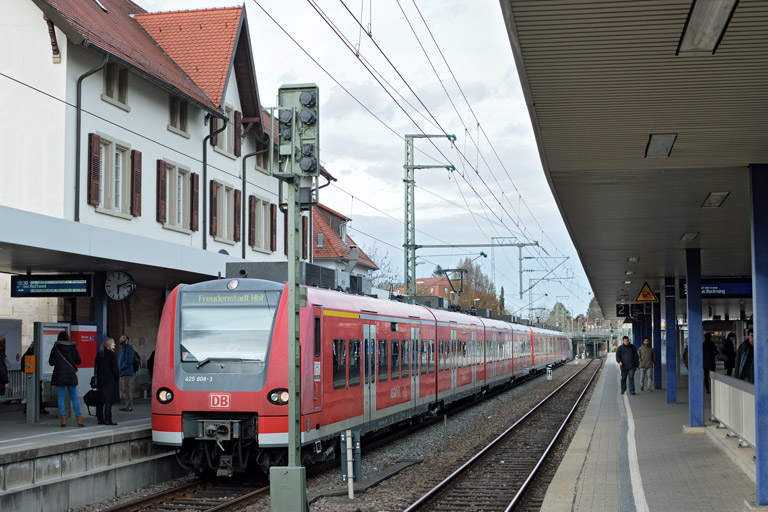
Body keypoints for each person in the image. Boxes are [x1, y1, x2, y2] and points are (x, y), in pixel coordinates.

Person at [49, 331, 84, 427]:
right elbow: (79, 361)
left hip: (59, 375)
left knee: (61, 397)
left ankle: (63, 420)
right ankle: (79, 419)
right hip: (70, 375)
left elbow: (51, 362)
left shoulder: (55, 348)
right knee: (74, 397)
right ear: (68, 338)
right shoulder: (73, 347)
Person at [95, 337, 120, 425]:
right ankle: (108, 419)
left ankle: (100, 418)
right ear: (109, 344)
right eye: (113, 343)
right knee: (109, 400)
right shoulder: (112, 354)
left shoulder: (99, 354)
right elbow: (115, 369)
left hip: (101, 379)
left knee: (101, 400)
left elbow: (96, 368)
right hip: (110, 380)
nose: (115, 344)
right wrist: (117, 378)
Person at [22, 342, 49, 415]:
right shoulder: (33, 352)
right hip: (34, 374)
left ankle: (37, 407)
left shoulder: (29, 351)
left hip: (34, 374)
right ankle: (30, 408)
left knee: (37, 390)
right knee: (36, 390)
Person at [117, 334, 135, 412]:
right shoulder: (123, 348)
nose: (121, 339)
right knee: (125, 389)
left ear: (127, 340)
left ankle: (129, 406)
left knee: (127, 389)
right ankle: (127, 405)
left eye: (123, 338)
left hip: (127, 372)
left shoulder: (128, 348)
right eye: (120, 338)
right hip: (123, 372)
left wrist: (121, 368)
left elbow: (129, 360)